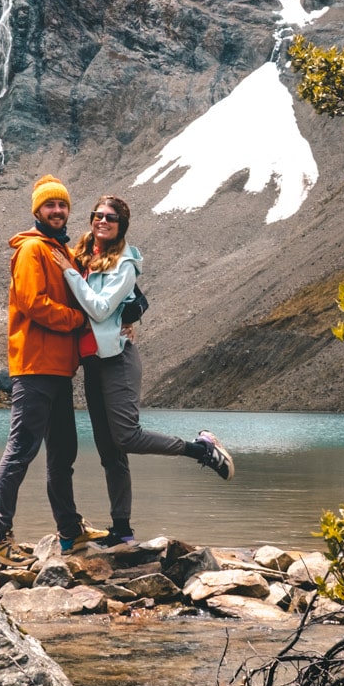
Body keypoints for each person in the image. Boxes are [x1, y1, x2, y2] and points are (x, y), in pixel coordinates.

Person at [59, 193, 233, 547]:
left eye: (110, 217)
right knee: (110, 451)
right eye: (97, 215)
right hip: (93, 362)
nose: (102, 221)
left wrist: (67, 274)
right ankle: (121, 529)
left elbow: (101, 308)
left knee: (127, 437)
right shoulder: (85, 257)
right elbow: (135, 303)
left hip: (118, 361)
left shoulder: (122, 262)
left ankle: (201, 449)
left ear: (121, 226)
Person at [0, 175, 94, 564]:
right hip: (34, 367)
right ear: (37, 210)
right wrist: (77, 320)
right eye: (50, 206)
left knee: (63, 453)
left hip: (59, 369)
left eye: (62, 205)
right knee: (21, 450)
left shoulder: (59, 250)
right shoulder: (31, 250)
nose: (58, 211)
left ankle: (69, 532)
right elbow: (33, 303)